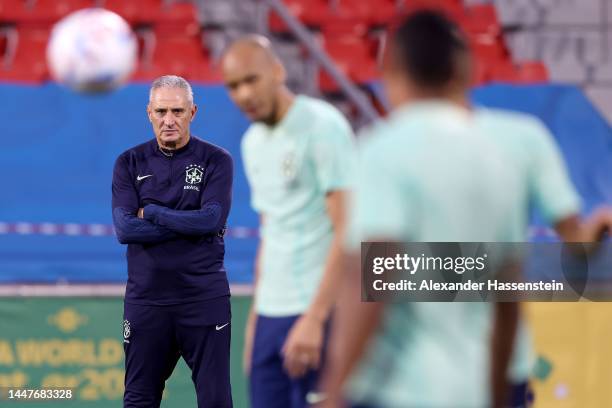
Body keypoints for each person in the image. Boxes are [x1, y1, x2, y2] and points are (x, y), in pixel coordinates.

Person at [322, 10, 612, 408]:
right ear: (465, 68)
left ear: (391, 72)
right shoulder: (525, 141)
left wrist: (336, 389)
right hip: (497, 372)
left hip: (402, 387)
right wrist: (595, 228)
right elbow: (549, 257)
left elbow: (372, 271)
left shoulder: (383, 148)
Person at [221, 35, 354, 408]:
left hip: (320, 313)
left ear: (278, 71)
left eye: (251, 80)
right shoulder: (252, 143)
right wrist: (254, 324)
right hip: (271, 316)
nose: (244, 94)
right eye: (233, 86)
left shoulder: (323, 126)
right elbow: (272, 232)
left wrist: (315, 318)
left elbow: (349, 230)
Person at [111, 75, 233, 408]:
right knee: (139, 399)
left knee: (216, 400)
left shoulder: (216, 160)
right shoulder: (128, 162)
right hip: (146, 302)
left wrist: (151, 212)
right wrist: (190, 224)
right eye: (161, 111)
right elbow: (125, 230)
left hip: (204, 300)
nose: (169, 120)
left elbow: (212, 219)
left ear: (192, 112)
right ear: (149, 112)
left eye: (177, 111)